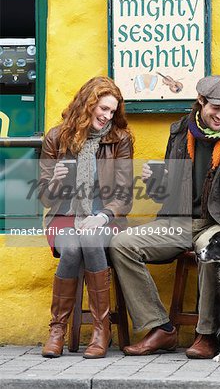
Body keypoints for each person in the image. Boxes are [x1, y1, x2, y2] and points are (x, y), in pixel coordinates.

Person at [110, 74, 220, 357]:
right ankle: (160, 328)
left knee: (213, 253)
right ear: (200, 101)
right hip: (178, 221)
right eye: (216, 108)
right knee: (121, 243)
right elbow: (166, 192)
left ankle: (206, 334)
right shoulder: (180, 133)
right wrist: (155, 183)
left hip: (217, 224)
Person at [39, 76, 133, 359]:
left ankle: (101, 329)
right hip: (65, 216)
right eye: (102, 108)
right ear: (87, 104)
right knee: (70, 247)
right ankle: (57, 329)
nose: (107, 116)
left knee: (90, 240)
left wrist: (102, 216)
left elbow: (125, 196)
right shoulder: (56, 138)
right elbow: (45, 198)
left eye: (112, 112)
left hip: (105, 218)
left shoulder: (119, 140)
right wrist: (54, 182)